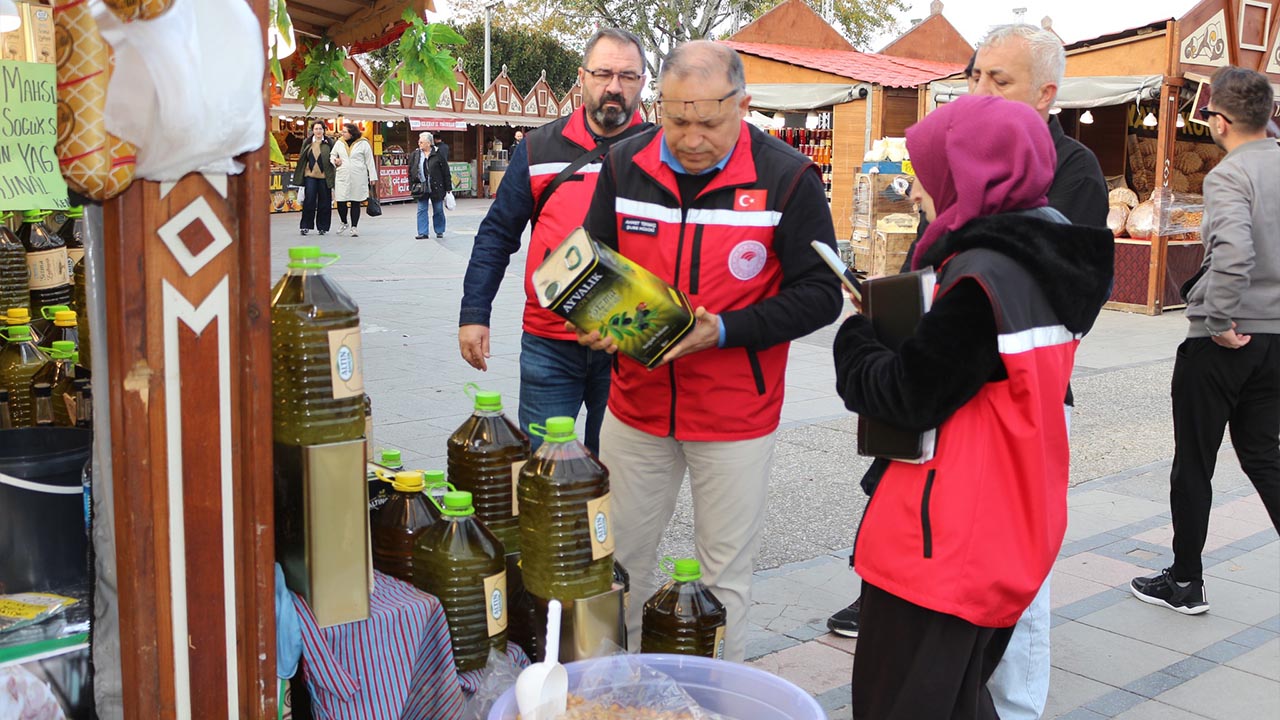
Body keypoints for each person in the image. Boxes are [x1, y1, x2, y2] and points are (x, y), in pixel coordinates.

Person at [827, 24, 1109, 720]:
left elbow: (907, 392)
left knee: (903, 701)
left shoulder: (985, 279)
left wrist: (855, 339)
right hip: (1009, 519)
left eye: (933, 174)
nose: (922, 192)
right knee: (958, 695)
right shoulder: (1051, 258)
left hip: (944, 541)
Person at [574, 40, 842, 663]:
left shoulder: (787, 177)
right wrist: (595, 317)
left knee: (723, 579)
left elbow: (821, 295)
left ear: (744, 106)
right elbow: (595, 262)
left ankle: (717, 697)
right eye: (676, 119)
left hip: (734, 415)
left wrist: (722, 330)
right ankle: (614, 695)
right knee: (615, 564)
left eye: (709, 122)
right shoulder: (624, 163)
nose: (690, 138)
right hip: (635, 406)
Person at [458, 28, 653, 454]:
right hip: (549, 341)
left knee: (618, 474)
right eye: (603, 73)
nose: (614, 87)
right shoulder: (538, 147)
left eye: (628, 76)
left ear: (642, 83)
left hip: (629, 341)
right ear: (582, 78)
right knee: (545, 470)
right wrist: (474, 312)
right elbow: (497, 234)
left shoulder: (662, 151)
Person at [1131, 66, 1280, 614]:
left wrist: (1218, 320)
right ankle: (1183, 578)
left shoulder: (1229, 176)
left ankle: (1186, 581)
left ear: (1217, 120)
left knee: (1194, 462)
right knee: (1264, 456)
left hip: (1226, 339)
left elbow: (1235, 254)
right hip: (1276, 338)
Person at [330, 122, 378, 238]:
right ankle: (344, 222)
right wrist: (335, 161)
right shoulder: (339, 142)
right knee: (341, 200)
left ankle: (354, 227)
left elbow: (369, 160)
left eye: (345, 131)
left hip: (358, 176)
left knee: (355, 201)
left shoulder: (363, 143)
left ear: (351, 133)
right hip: (343, 175)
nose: (342, 133)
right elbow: (332, 155)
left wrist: (372, 176)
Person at [293, 120, 335, 236]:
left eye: (320, 129)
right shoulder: (307, 142)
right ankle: (305, 226)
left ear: (324, 130)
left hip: (324, 176)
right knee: (309, 200)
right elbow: (302, 158)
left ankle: (323, 227)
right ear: (313, 131)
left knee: (324, 202)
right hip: (310, 176)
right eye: (316, 129)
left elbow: (335, 156)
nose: (318, 131)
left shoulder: (329, 142)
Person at [409, 132, 452, 239]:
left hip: (436, 186)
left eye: (421, 142)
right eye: (419, 141)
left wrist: (448, 188)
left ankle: (439, 230)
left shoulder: (438, 154)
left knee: (438, 209)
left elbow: (445, 171)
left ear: (428, 143)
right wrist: (412, 184)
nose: (419, 143)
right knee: (421, 209)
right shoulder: (415, 154)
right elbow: (410, 170)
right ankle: (423, 232)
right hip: (421, 186)